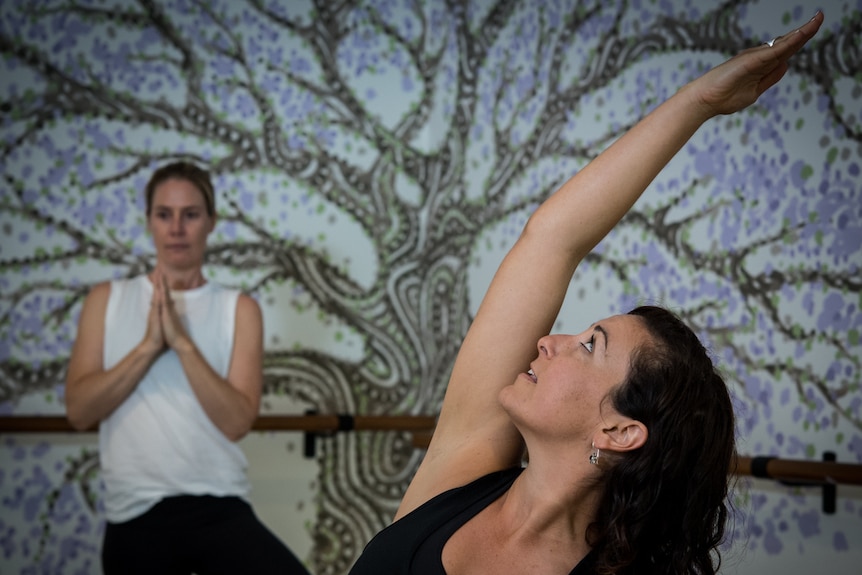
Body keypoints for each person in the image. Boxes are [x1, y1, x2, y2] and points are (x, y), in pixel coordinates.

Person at [349, 12, 824, 575]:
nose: (549, 340)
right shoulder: (466, 469)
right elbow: (552, 240)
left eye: (590, 345)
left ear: (620, 431)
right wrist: (698, 102)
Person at [65, 162, 309, 575]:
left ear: (210, 222)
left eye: (190, 214)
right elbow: (79, 411)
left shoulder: (240, 309)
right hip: (134, 514)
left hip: (220, 505)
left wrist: (181, 343)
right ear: (149, 222)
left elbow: (237, 422)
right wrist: (148, 347)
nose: (176, 228)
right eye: (164, 214)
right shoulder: (106, 300)